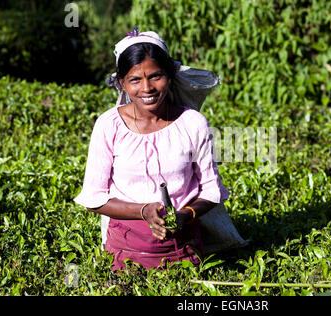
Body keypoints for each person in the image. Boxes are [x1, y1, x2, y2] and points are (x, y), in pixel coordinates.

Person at [74, 29, 229, 270]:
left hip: (185, 247)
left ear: (169, 76)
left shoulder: (192, 123)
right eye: (135, 80)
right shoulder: (108, 125)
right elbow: (93, 198)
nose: (147, 88)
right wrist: (142, 211)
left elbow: (211, 190)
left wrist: (185, 215)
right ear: (122, 83)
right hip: (127, 250)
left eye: (156, 76)